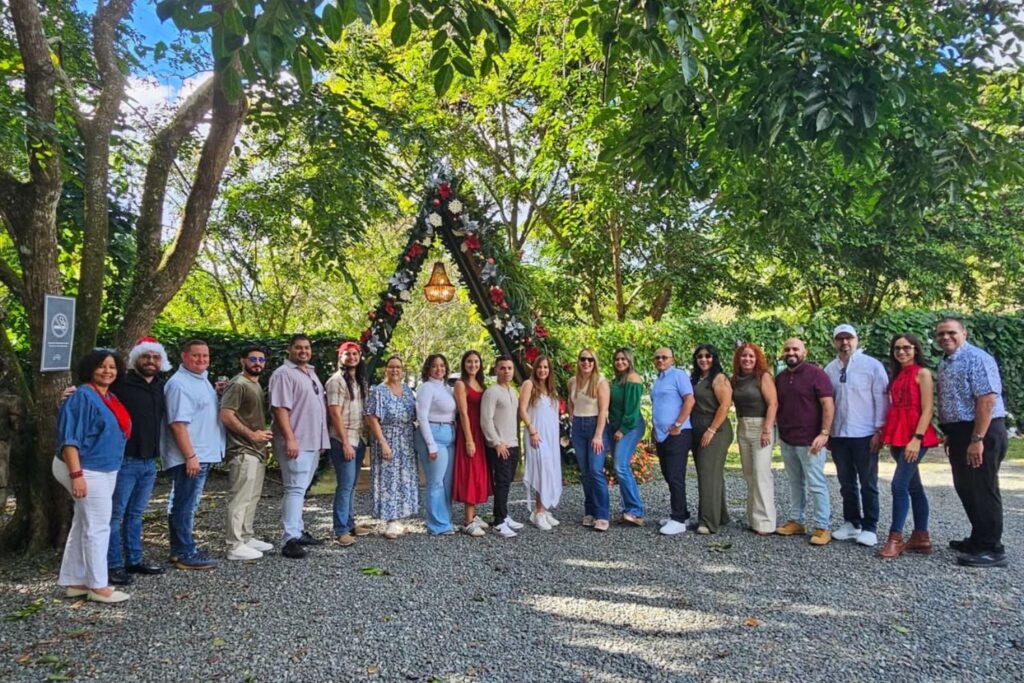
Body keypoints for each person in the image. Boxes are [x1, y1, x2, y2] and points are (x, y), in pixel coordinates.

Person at [55, 349, 131, 604]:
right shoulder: (82, 396)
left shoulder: (108, 396)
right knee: (98, 527)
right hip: (87, 469)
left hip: (105, 468)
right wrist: (77, 475)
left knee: (83, 523)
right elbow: (70, 439)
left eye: (112, 366)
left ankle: (75, 581)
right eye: (101, 366)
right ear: (90, 368)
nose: (107, 371)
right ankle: (98, 586)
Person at [934, 317, 1010, 568]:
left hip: (981, 430)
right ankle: (979, 538)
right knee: (967, 487)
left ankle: (992, 548)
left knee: (983, 487)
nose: (946, 337)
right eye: (941, 334)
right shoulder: (946, 362)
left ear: (964, 333)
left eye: (951, 332)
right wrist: (952, 434)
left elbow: (986, 400)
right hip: (960, 432)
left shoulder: (977, 358)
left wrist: (977, 439)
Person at [105, 336, 171, 586]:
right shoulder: (120, 384)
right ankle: (113, 565)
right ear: (136, 359)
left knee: (136, 513)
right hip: (125, 459)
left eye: (155, 357)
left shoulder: (161, 387)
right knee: (115, 514)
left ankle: (134, 559)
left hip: (149, 461)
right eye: (146, 356)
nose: (151, 361)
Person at [824, 324, 890, 548]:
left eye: (849, 338)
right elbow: (828, 402)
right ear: (834, 342)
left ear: (856, 339)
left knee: (868, 482)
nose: (845, 343)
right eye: (840, 339)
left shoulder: (871, 366)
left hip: (865, 433)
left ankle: (870, 526)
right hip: (839, 434)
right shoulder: (830, 369)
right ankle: (852, 522)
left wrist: (879, 430)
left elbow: (881, 398)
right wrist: (828, 431)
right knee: (846, 482)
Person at [163, 339, 225, 570]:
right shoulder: (180, 384)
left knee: (186, 501)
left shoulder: (200, 379)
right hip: (190, 456)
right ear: (184, 356)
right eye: (196, 355)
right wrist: (190, 456)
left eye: (205, 355)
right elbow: (178, 424)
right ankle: (184, 552)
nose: (201, 359)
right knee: (185, 504)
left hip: (200, 454)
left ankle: (182, 548)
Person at [269, 334, 330, 559]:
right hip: (296, 441)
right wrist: (290, 438)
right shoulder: (283, 374)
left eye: (306, 347)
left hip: (312, 441)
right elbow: (280, 409)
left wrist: (321, 440)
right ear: (289, 349)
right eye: (298, 348)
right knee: (294, 488)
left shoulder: (310, 373)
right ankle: (289, 539)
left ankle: (298, 529)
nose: (303, 351)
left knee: (301, 489)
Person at [879, 334, 940, 559]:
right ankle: (921, 537)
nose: (901, 352)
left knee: (898, 485)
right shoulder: (897, 374)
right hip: (897, 434)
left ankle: (895, 538)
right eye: (897, 348)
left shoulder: (922, 373)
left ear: (915, 349)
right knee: (914, 487)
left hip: (915, 435)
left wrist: (917, 438)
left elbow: (927, 409)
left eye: (906, 347)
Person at [775, 337, 835, 546]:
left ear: (804, 352)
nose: (791, 353)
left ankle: (822, 526)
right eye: (787, 349)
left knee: (816, 484)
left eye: (795, 349)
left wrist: (824, 433)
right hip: (787, 439)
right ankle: (797, 520)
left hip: (811, 441)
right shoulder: (781, 378)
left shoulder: (817, 374)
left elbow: (828, 405)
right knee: (795, 482)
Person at [219, 346, 274, 561]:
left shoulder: (255, 384)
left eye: (261, 359)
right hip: (242, 449)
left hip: (256, 450)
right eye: (253, 359)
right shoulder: (238, 384)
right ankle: (234, 545)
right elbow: (226, 415)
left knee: (252, 497)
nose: (257, 363)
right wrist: (251, 435)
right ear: (242, 361)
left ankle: (246, 537)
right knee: (240, 498)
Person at [365, 355, 419, 540]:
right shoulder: (379, 391)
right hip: (388, 437)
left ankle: (400, 518)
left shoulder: (407, 390)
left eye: (398, 367)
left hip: (406, 438)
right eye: (391, 367)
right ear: (386, 369)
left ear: (402, 370)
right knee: (389, 478)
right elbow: (372, 418)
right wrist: (383, 443)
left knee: (405, 478)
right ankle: (390, 520)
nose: (395, 370)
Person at [730, 342, 778, 536]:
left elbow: (773, 403)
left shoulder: (763, 376)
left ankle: (766, 522)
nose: (747, 359)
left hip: (761, 427)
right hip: (743, 426)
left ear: (757, 358)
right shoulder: (736, 379)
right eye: (744, 356)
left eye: (751, 356)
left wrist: (767, 429)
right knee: (749, 474)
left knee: (761, 474)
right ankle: (753, 519)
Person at [326, 341, 368, 548]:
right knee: (344, 485)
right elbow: (334, 413)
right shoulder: (336, 381)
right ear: (340, 357)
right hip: (343, 439)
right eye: (347, 354)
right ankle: (340, 529)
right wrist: (344, 443)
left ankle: (350, 523)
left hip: (358, 437)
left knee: (351, 485)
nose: (351, 357)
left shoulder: (359, 381)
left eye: (355, 354)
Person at [689, 345, 734, 535]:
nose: (703, 359)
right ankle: (720, 515)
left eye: (708, 356)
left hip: (716, 430)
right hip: (698, 429)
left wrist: (711, 430)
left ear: (714, 358)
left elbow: (725, 405)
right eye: (699, 356)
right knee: (712, 474)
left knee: (707, 474)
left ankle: (707, 522)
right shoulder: (696, 378)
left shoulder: (719, 378)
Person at [651, 347, 695, 536]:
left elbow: (689, 400)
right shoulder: (658, 380)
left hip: (678, 433)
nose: (660, 360)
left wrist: (678, 424)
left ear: (672, 359)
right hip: (662, 435)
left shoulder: (678, 375)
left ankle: (678, 521)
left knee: (676, 476)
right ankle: (682, 514)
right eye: (657, 358)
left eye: (664, 357)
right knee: (668, 474)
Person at [567, 348, 610, 531]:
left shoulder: (600, 382)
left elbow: (603, 410)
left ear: (595, 362)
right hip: (578, 427)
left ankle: (602, 514)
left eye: (590, 360)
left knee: (595, 470)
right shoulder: (572, 381)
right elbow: (570, 402)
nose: (586, 363)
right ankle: (590, 511)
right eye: (583, 359)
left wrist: (598, 435)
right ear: (578, 361)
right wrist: (572, 416)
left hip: (595, 425)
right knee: (585, 472)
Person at [481, 355, 524, 538]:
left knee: (507, 482)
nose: (506, 371)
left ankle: (504, 515)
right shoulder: (492, 392)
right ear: (496, 370)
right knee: (502, 482)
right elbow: (486, 420)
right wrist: (496, 442)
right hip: (500, 445)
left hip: (512, 444)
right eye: (502, 368)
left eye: (509, 368)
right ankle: (499, 522)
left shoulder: (512, 392)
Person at [453, 350, 493, 537]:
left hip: (481, 432)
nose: (473, 365)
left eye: (476, 361)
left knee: (478, 472)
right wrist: (469, 439)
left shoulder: (481, 384)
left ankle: (474, 514)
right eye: (469, 361)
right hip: (468, 432)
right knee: (470, 471)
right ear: (464, 364)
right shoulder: (461, 384)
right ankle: (468, 521)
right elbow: (463, 413)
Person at [416, 353, 457, 535]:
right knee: (436, 482)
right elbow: (422, 417)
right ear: (428, 369)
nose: (439, 369)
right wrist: (431, 445)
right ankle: (437, 524)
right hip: (433, 434)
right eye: (434, 366)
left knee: (447, 481)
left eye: (442, 365)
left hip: (449, 434)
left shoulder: (447, 388)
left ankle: (446, 518)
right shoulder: (426, 388)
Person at [520, 355, 562, 530]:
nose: (542, 370)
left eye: (546, 367)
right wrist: (532, 431)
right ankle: (538, 511)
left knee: (549, 470)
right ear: (534, 368)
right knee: (541, 470)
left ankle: (543, 509)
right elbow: (522, 409)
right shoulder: (529, 385)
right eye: (540, 367)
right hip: (536, 434)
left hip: (550, 436)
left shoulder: (550, 389)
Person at [607, 348, 646, 526]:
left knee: (621, 466)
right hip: (616, 425)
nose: (620, 362)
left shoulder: (633, 378)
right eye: (617, 359)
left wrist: (623, 429)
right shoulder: (616, 380)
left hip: (630, 425)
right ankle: (628, 510)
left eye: (624, 359)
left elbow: (632, 409)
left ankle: (636, 511)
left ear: (630, 361)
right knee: (620, 468)